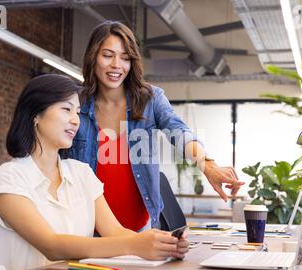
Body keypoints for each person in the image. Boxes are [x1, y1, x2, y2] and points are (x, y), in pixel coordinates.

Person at [0, 74, 188, 270]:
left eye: (78, 112)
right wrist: (134, 244)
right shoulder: (8, 178)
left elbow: (115, 232)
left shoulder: (81, 172)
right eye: (66, 109)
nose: (75, 120)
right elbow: (52, 245)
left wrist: (164, 243)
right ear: (35, 115)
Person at [70, 21, 244, 231]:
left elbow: (178, 132)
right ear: (93, 56)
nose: (117, 65)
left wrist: (208, 166)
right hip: (85, 230)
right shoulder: (74, 103)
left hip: (142, 232)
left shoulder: (150, 100)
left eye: (125, 58)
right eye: (107, 55)